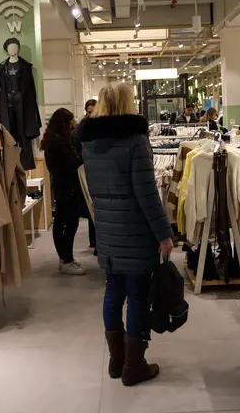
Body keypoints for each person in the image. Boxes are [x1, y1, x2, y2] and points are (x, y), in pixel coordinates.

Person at [78, 82, 175, 387]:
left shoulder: (89, 143)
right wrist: (164, 233)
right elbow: (147, 194)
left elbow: (94, 192)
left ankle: (116, 360)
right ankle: (135, 364)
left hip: (107, 230)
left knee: (112, 292)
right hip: (135, 231)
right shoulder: (136, 141)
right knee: (136, 296)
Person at [41, 108, 86, 275]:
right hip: (67, 187)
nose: (72, 125)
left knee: (62, 222)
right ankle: (66, 259)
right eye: (70, 122)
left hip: (62, 186)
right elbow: (73, 163)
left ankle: (65, 258)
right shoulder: (58, 143)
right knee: (69, 223)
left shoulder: (53, 140)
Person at [74, 99, 98, 251]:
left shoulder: (102, 125)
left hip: (99, 170)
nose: (91, 114)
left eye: (93, 111)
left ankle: (99, 242)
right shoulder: (82, 127)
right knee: (92, 206)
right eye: (89, 111)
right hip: (87, 170)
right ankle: (95, 242)